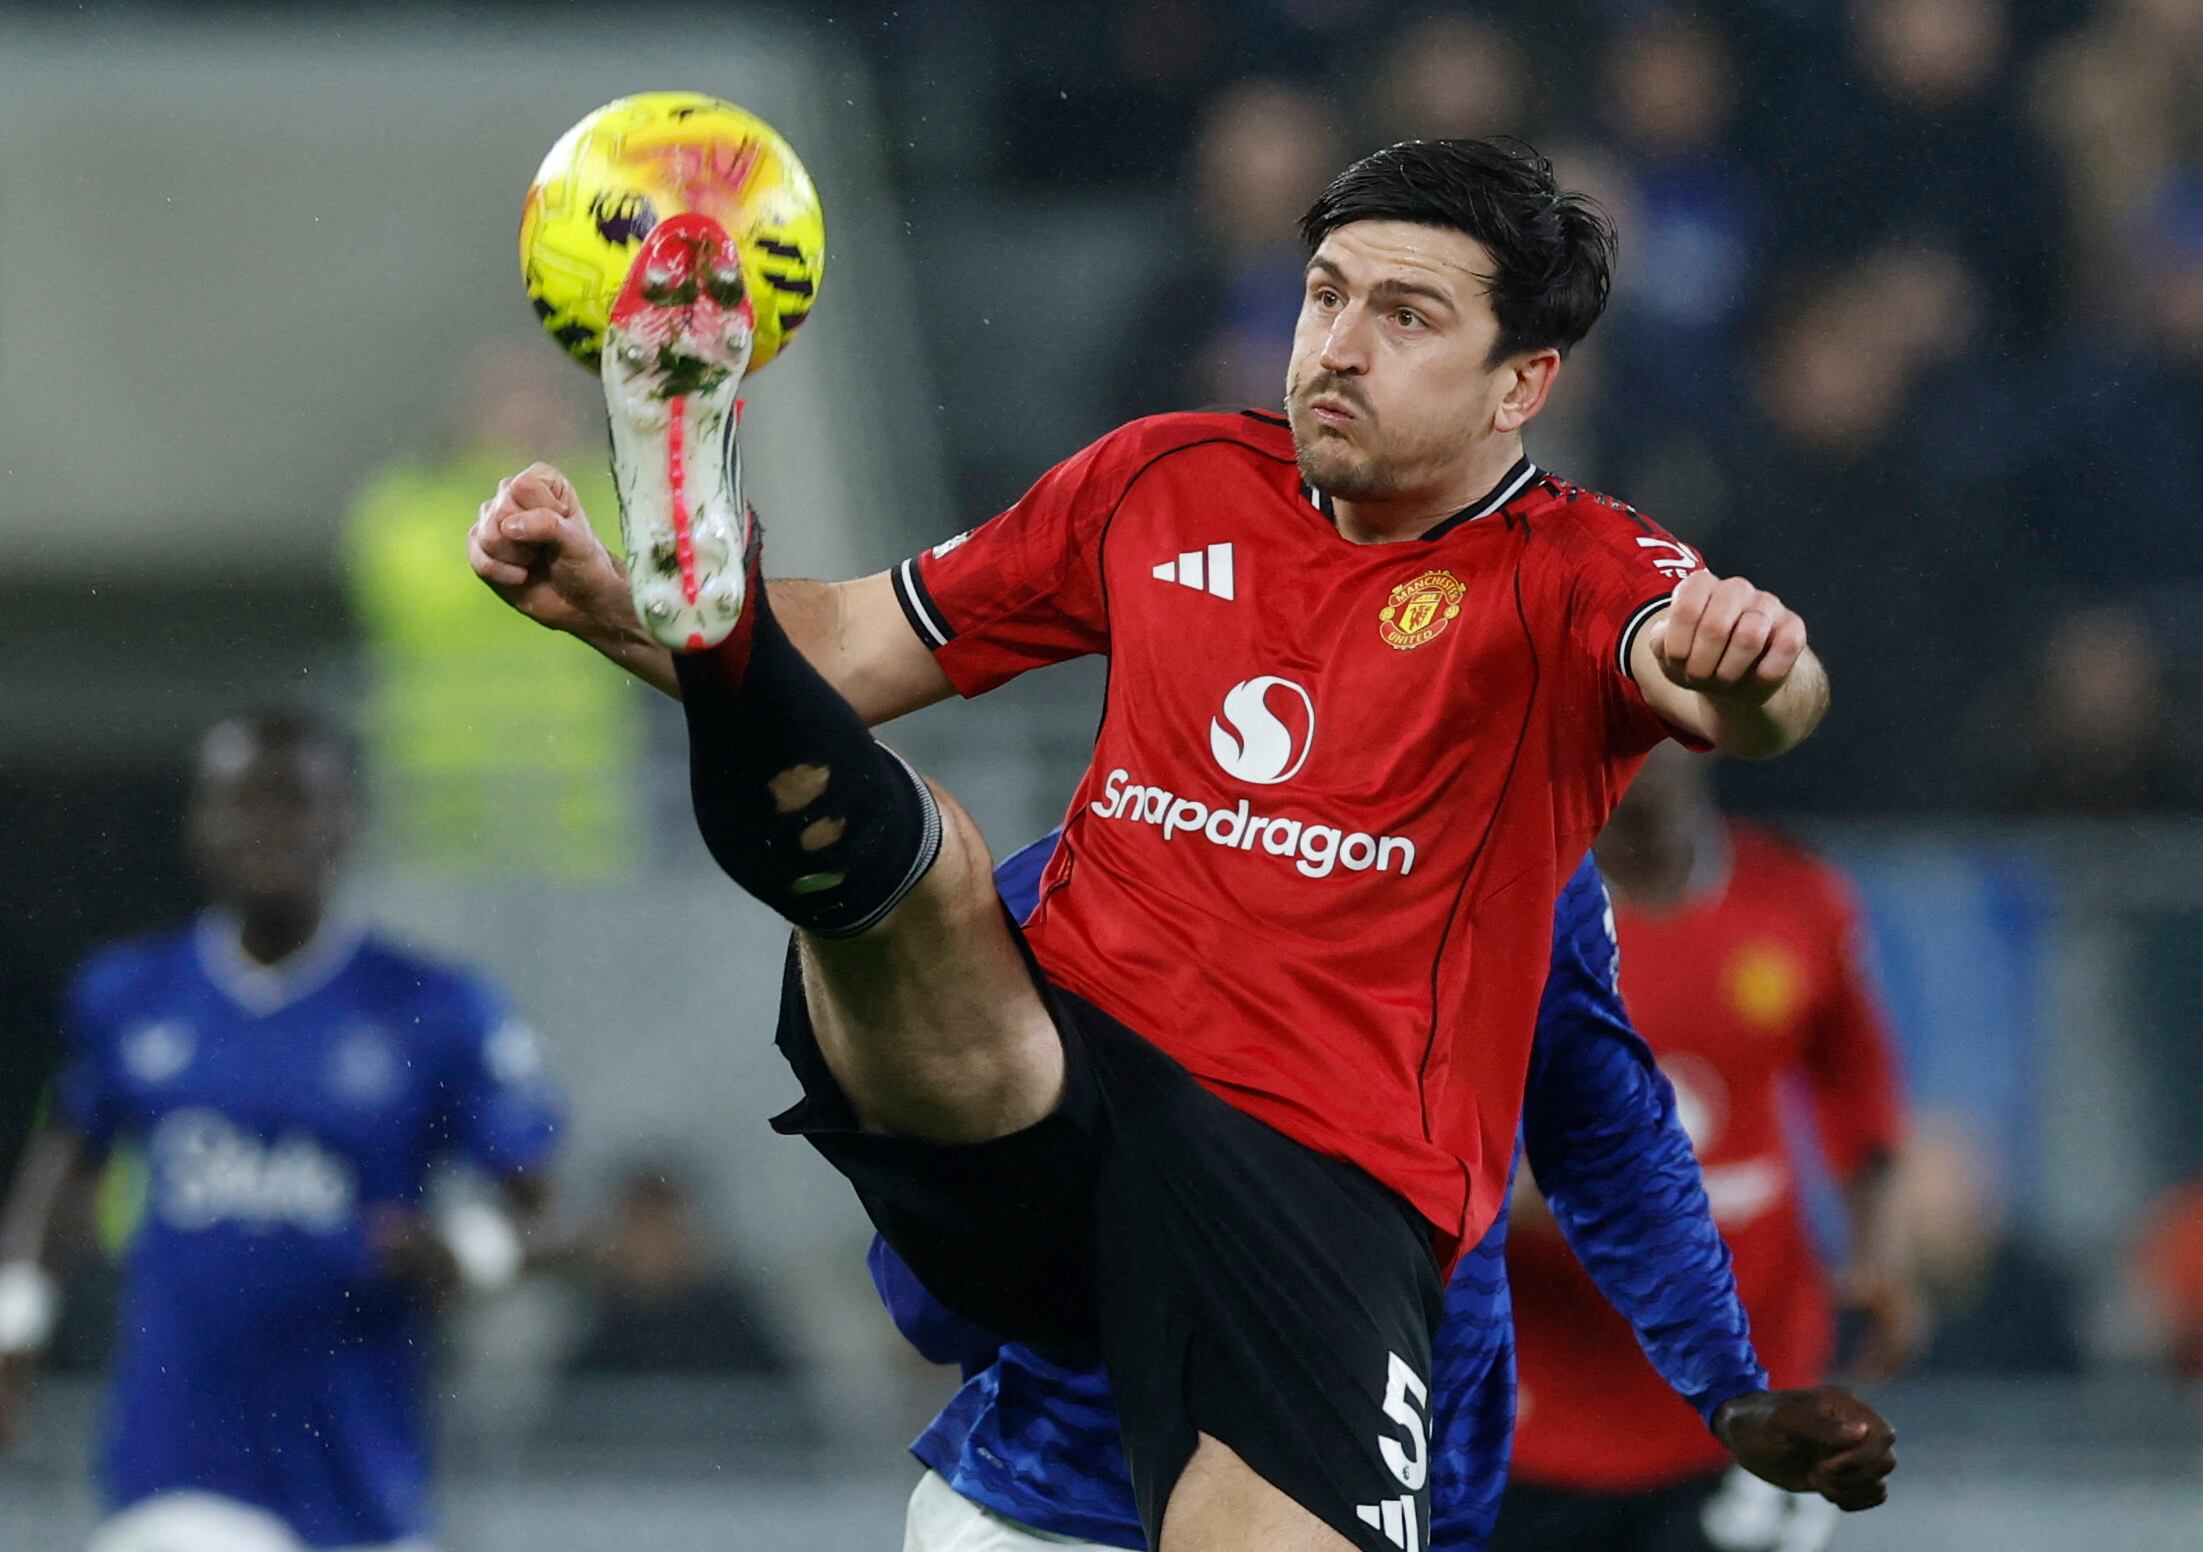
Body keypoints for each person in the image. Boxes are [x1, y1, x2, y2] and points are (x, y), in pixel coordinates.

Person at [470, 137, 1889, 1552]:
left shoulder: (1571, 576)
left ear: (1520, 384)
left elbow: (1736, 706)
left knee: (929, 872)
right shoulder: (1166, 479)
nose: (1336, 345)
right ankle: (702, 584)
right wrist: (618, 608)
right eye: (1322, 295)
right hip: (1060, 1107)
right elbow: (851, 642)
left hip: (1302, 1214)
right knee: (928, 870)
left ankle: (722, 645)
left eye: (1405, 319)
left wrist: (1756, 665)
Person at [875, 832, 1871, 1551]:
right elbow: (940, 1263)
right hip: (1077, 1511)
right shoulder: (1080, 879)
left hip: (1399, 1504)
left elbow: (1610, 1142)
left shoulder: (1533, 862)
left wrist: (1725, 1383)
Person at [0, 713, 565, 1552]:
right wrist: (16, 1324)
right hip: (179, 1469)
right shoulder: (129, 994)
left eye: (293, 801)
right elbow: (68, 1166)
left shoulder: (433, 1006)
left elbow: (543, 1209)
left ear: (348, 821)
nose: (265, 828)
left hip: (361, 1477)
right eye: (238, 802)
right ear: (197, 823)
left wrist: (465, 1250)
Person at [1493, 744, 1914, 1552]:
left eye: (1660, 728)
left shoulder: (1794, 898)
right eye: (1613, 732)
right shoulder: (1511, 914)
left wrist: (1877, 1248)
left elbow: (1856, 1076)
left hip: (1752, 1401)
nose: (1641, 755)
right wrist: (1523, 1198)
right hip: (1538, 1410)